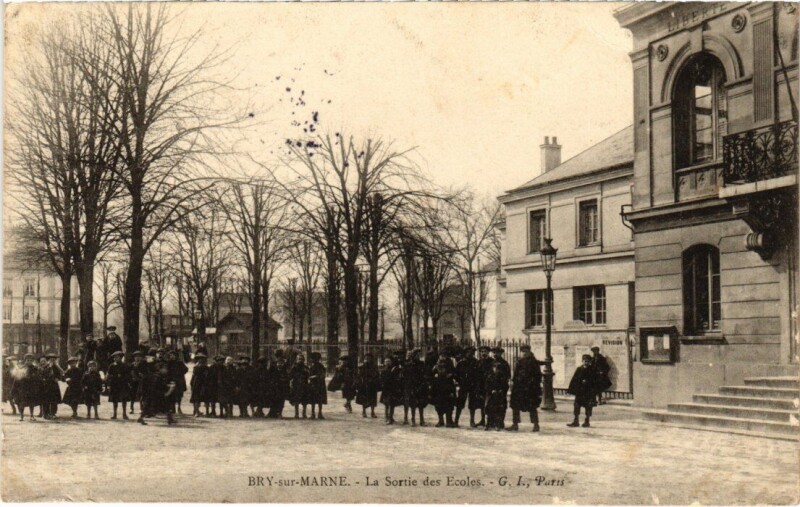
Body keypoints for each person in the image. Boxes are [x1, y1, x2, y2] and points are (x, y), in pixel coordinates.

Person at [508, 345, 543, 432]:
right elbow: (515, 375)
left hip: (530, 389)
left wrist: (532, 385)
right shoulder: (519, 361)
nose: (524, 353)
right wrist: (514, 384)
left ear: (529, 352)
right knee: (515, 406)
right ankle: (515, 424)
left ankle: (536, 425)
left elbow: (538, 376)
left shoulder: (534, 362)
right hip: (519, 388)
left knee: (532, 407)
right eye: (522, 351)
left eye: (525, 351)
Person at [138, 360, 177, 425]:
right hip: (155, 395)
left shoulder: (157, 376)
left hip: (153, 394)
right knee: (164, 406)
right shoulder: (157, 376)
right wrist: (169, 388)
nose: (166, 370)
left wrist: (168, 386)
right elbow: (158, 385)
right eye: (165, 368)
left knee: (163, 406)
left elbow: (161, 384)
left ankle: (170, 419)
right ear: (160, 369)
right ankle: (170, 419)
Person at [567, 354, 599, 428]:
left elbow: (595, 381)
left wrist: (587, 382)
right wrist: (572, 390)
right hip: (580, 392)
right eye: (585, 361)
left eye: (587, 361)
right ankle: (576, 421)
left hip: (588, 392)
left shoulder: (592, 370)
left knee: (588, 407)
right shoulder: (579, 369)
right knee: (576, 406)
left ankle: (587, 421)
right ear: (582, 361)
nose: (586, 363)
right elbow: (574, 379)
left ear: (590, 362)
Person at [454, 346, 482, 428]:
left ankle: (472, 421)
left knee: (472, 404)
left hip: (473, 385)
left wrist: (476, 384)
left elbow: (478, 374)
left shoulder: (476, 362)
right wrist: (460, 381)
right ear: (466, 353)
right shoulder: (461, 363)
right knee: (460, 403)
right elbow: (456, 374)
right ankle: (456, 420)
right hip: (463, 385)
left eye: (472, 352)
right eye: (469, 352)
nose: (470, 354)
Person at [401, 349, 428, 427]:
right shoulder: (408, 365)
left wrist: (424, 383)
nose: (418, 356)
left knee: (421, 404)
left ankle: (422, 420)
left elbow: (425, 374)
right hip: (411, 386)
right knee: (412, 404)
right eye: (416, 355)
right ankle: (413, 420)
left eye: (419, 355)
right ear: (413, 356)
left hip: (420, 386)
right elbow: (404, 376)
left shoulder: (422, 364)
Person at [430, 356, 457, 428]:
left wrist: (451, 375)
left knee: (449, 405)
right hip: (438, 388)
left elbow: (453, 376)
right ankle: (441, 421)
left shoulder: (449, 367)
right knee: (438, 405)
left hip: (447, 388)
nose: (442, 360)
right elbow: (431, 375)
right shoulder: (435, 367)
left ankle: (449, 421)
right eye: (440, 358)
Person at [13, 354, 40, 421]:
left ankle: (31, 415)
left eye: (31, 360)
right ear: (25, 360)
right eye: (28, 360)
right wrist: (14, 388)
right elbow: (17, 378)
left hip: (31, 387)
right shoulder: (21, 368)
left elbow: (37, 377)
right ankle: (21, 416)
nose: (29, 361)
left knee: (31, 402)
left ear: (32, 361)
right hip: (23, 388)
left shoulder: (35, 369)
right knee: (22, 402)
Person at [484, 362, 509, 431]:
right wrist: (491, 390)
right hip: (491, 396)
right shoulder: (490, 376)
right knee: (490, 409)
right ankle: (489, 424)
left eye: (498, 368)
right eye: (495, 367)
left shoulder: (503, 377)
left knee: (499, 410)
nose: (496, 369)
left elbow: (506, 386)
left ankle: (498, 424)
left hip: (500, 396)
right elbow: (486, 386)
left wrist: (501, 390)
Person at [106, 351, 131, 420]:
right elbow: (108, 375)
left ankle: (124, 414)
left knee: (124, 399)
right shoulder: (112, 366)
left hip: (123, 384)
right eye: (114, 357)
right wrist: (108, 383)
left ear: (121, 358)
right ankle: (115, 414)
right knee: (114, 400)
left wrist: (123, 377)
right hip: (114, 384)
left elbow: (128, 375)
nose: (115, 359)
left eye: (117, 357)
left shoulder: (124, 366)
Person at [379, 355, 403, 425]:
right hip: (386, 389)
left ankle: (390, 417)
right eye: (386, 361)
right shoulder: (383, 371)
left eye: (389, 361)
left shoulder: (394, 370)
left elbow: (396, 379)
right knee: (386, 404)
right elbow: (381, 380)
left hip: (392, 389)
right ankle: (387, 417)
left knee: (391, 404)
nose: (387, 363)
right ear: (384, 362)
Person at [355, 354, 379, 418]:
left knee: (373, 399)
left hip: (372, 385)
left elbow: (376, 375)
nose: (367, 360)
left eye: (368, 358)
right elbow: (359, 376)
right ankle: (364, 412)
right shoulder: (362, 367)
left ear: (371, 359)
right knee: (364, 399)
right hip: (364, 385)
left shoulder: (374, 367)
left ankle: (372, 412)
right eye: (366, 358)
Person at [166, 350, 189, 415]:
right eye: (171, 355)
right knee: (171, 394)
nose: (172, 356)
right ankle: (172, 408)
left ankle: (179, 407)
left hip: (179, 381)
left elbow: (186, 369)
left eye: (173, 355)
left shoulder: (179, 363)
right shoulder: (168, 363)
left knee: (179, 395)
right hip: (171, 381)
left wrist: (180, 373)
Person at [39, 355, 63, 420]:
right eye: (42, 361)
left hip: (53, 386)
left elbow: (61, 374)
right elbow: (40, 376)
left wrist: (58, 378)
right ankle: (45, 414)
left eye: (44, 361)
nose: (43, 362)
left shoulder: (56, 367)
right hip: (44, 386)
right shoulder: (41, 368)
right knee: (45, 401)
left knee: (53, 400)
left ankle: (53, 413)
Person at [267, 352, 289, 418]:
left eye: (281, 356)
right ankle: (272, 413)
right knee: (273, 399)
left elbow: (287, 376)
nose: (280, 358)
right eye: (279, 356)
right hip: (274, 386)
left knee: (281, 400)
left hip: (282, 386)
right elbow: (269, 375)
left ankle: (279, 413)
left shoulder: (285, 365)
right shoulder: (273, 365)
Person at [475, 345, 493, 427]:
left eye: (485, 351)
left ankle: (489, 422)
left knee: (488, 404)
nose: (483, 353)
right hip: (480, 385)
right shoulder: (478, 362)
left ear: (488, 352)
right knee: (481, 404)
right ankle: (482, 420)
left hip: (489, 385)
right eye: (482, 352)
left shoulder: (492, 361)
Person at [289, 354, 310, 419]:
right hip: (296, 385)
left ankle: (304, 413)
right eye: (299, 359)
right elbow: (290, 375)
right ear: (296, 360)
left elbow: (309, 375)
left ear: (304, 360)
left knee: (304, 401)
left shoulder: (306, 368)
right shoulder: (294, 367)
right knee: (296, 400)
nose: (300, 360)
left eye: (302, 359)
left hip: (304, 385)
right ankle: (296, 413)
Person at [307, 352, 327, 420]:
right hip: (318, 385)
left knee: (315, 400)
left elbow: (321, 375)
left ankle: (316, 414)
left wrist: (312, 377)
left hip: (316, 384)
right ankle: (318, 413)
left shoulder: (317, 366)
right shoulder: (319, 366)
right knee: (318, 400)